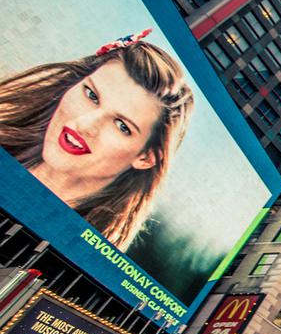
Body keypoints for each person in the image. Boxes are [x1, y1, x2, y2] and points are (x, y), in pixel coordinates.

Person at [0, 31, 194, 250]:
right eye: (91, 95)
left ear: (146, 157)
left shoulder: (80, 250)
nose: (86, 125)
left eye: (122, 126)